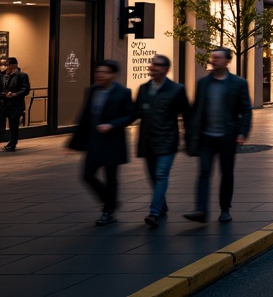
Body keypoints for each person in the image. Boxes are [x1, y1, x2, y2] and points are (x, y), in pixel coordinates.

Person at [184, 47, 252, 224]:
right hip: (206, 137)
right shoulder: (203, 83)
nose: (213, 60)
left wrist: (242, 132)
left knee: (226, 173)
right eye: (212, 57)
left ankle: (225, 209)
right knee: (204, 172)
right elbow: (196, 109)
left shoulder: (238, 83)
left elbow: (246, 110)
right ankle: (201, 210)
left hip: (227, 137)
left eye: (217, 58)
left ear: (227, 61)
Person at [68, 59, 136, 225]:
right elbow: (85, 116)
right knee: (87, 176)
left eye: (104, 72)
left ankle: (108, 211)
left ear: (112, 75)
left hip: (113, 142)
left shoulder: (123, 93)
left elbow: (131, 115)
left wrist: (112, 125)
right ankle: (109, 201)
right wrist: (73, 142)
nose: (100, 75)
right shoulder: (92, 90)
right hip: (94, 142)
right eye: (98, 72)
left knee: (111, 177)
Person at [134, 54, 190, 228]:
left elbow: (187, 115)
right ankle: (162, 204)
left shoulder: (176, 89)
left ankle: (154, 212)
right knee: (153, 177)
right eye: (152, 64)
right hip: (147, 141)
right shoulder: (143, 89)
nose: (152, 67)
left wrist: (190, 138)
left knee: (160, 175)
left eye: (157, 65)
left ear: (166, 70)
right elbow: (136, 112)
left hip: (167, 140)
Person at [1, 56, 32, 151]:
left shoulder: (22, 75)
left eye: (8, 64)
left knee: (13, 124)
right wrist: (3, 94)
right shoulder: (2, 75)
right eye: (5, 64)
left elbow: (25, 89)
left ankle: (12, 142)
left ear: (14, 65)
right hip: (3, 103)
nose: (6, 66)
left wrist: (14, 94)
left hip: (15, 104)